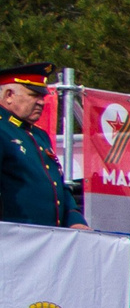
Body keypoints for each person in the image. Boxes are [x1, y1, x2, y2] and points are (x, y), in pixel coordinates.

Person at [0, 63, 81, 228]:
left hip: (47, 240)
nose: (41, 103)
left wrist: (75, 221)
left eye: (42, 97)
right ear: (9, 95)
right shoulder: (2, 130)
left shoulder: (39, 136)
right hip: (13, 239)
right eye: (34, 95)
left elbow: (57, 184)